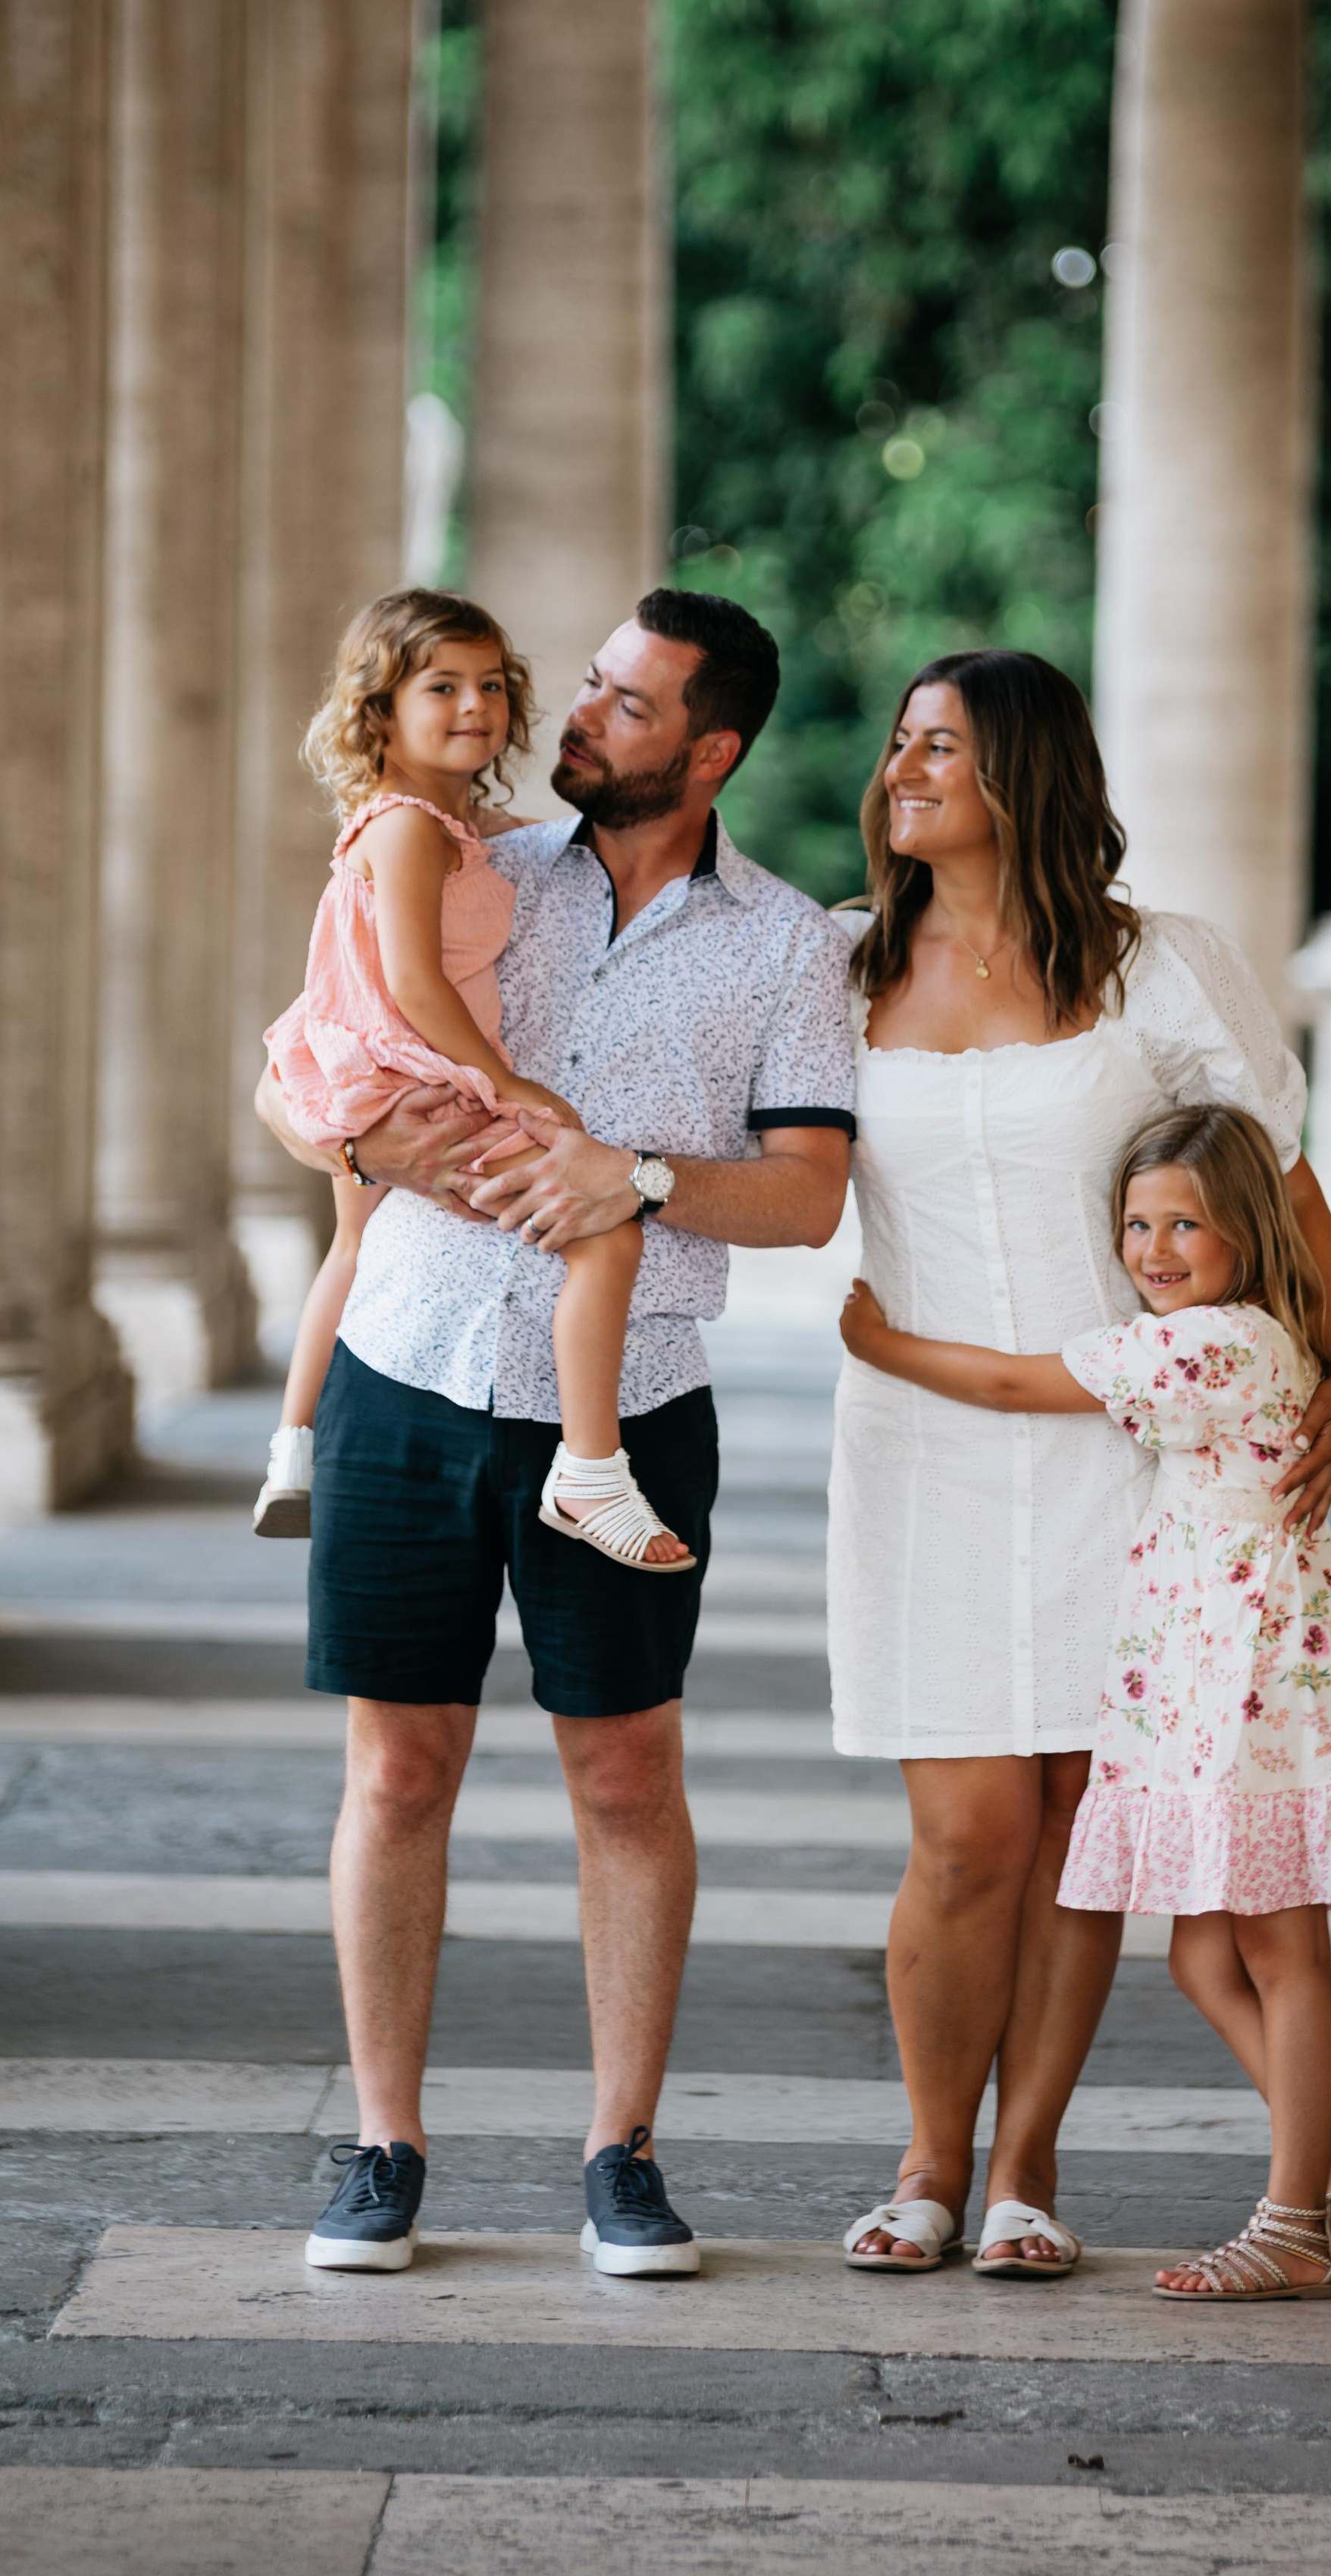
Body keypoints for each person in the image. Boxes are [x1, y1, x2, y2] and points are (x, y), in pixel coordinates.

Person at [253, 589, 855, 2278]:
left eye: (622, 702)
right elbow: (292, 1071)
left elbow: (806, 1200)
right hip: (409, 1366)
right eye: (579, 688)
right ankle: (383, 2146)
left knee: (623, 1773)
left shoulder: (789, 943)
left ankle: (621, 2152)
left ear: (711, 748)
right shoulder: (465, 861)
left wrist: (637, 1177)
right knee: (397, 1766)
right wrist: (398, 1152)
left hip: (631, 1403)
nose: (574, 717)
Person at [825, 650, 1331, 2282]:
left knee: (1076, 1818)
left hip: (1130, 1454)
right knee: (964, 1831)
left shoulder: (1154, 966)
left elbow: (1274, 1172)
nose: (903, 768)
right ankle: (925, 2163)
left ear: (1024, 778)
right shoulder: (837, 972)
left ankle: (1023, 2174)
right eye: (901, 741)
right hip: (921, 1443)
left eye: (943, 746)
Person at [842, 1102, 1331, 2299]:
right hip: (1228, 1672)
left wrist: (878, 1343)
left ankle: (1293, 2226)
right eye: (1136, 1223)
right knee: (1209, 1965)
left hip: (1250, 1680)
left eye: (1186, 1226)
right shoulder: (1256, 1333)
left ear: (1248, 1236)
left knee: (1280, 1954)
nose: (1154, 1250)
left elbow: (1010, 1385)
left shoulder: (1201, 1349)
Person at [255, 588, 689, 1573]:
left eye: (490, 685)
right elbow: (413, 977)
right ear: (381, 709)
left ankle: (294, 1449)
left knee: (357, 1243)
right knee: (607, 1229)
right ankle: (589, 1471)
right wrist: (507, 1083)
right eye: (441, 686)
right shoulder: (408, 829)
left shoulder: (455, 827)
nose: (474, 705)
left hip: (367, 1067)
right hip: (419, 1073)